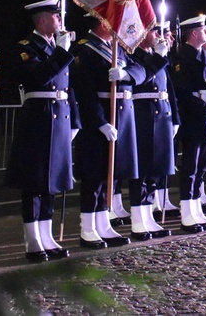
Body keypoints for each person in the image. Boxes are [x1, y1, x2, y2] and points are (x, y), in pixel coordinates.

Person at [5, 0, 80, 263]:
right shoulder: (27, 47)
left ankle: (47, 236)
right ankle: (33, 240)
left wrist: (75, 121)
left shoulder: (55, 46)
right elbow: (38, 78)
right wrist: (61, 53)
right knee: (34, 182)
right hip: (38, 119)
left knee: (51, 183)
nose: (60, 20)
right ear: (42, 20)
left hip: (59, 118)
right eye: (55, 15)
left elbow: (67, 87)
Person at [70, 15, 147, 247]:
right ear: (103, 24)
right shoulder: (86, 50)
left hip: (119, 117)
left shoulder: (116, 49)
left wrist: (125, 75)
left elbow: (140, 70)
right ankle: (88, 228)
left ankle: (103, 224)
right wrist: (101, 122)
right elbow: (85, 93)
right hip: (99, 120)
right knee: (93, 177)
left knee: (108, 178)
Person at [171, 14, 206, 232]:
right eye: (203, 30)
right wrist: (205, 112)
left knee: (202, 167)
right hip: (194, 119)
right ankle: (187, 212)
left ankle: (196, 208)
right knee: (190, 168)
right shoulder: (183, 59)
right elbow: (182, 94)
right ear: (193, 33)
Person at [130, 23, 180, 239]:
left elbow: (169, 89)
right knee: (142, 170)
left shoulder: (156, 55)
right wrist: (158, 57)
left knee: (155, 169)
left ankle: (148, 214)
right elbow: (142, 79)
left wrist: (175, 117)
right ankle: (138, 218)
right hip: (142, 115)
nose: (159, 36)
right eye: (154, 31)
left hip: (162, 115)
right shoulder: (133, 55)